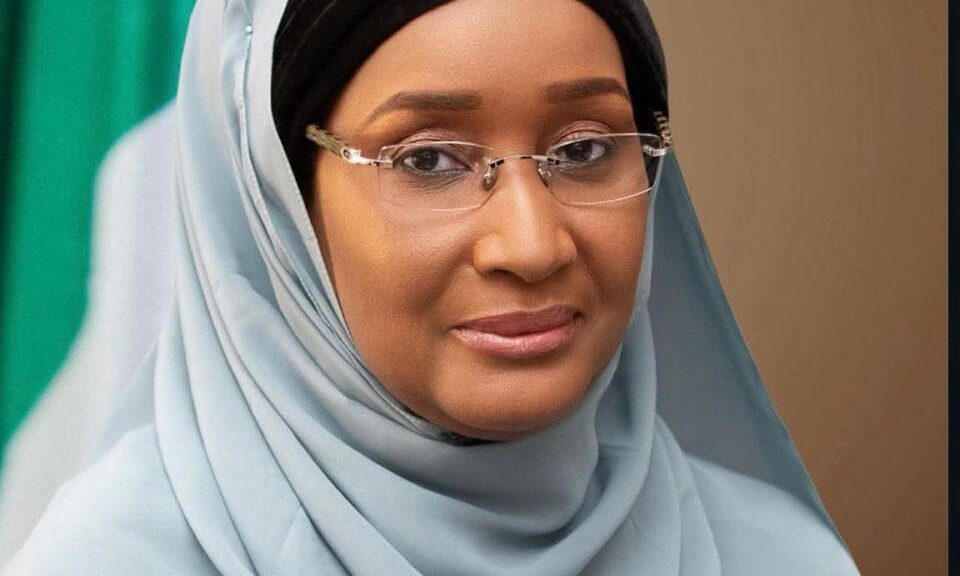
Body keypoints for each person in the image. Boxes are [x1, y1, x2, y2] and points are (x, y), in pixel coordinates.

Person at [2, 0, 861, 574]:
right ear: (281, 207)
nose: (532, 245)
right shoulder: (114, 560)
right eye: (428, 161)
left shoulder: (776, 558)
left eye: (585, 149)